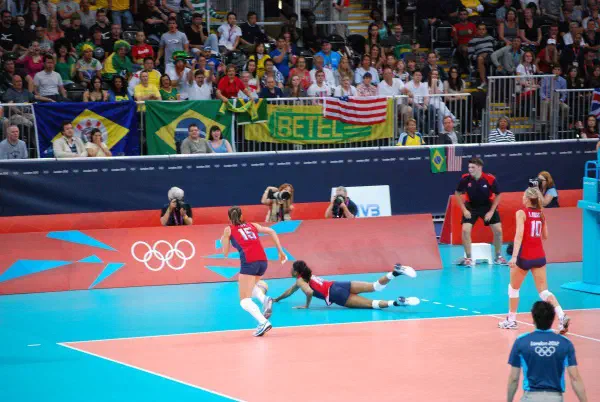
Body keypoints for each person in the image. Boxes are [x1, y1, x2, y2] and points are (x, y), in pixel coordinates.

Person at [499, 187, 570, 333]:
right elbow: (545, 236)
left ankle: (511, 320)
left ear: (527, 199)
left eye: (523, 196)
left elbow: (519, 235)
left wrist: (514, 257)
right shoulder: (541, 214)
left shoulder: (521, 213)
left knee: (513, 288)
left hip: (525, 256)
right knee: (544, 292)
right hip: (539, 256)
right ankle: (562, 316)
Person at [221, 206, 286, 336]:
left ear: (228, 218)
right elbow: (272, 231)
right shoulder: (252, 225)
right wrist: (280, 251)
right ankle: (264, 299)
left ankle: (263, 322)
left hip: (249, 262)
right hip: (263, 261)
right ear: (241, 216)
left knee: (244, 301)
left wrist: (224, 239)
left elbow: (225, 253)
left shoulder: (228, 230)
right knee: (248, 287)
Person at [507, 301, 588, 402]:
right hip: (555, 398)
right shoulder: (565, 343)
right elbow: (575, 378)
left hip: (530, 397)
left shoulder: (521, 341)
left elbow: (514, 378)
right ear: (553, 319)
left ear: (533, 319)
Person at [274, 260, 420, 309]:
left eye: (292, 269)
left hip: (336, 295)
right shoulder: (306, 276)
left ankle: (397, 303)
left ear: (296, 272)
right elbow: (290, 291)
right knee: (374, 286)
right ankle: (395, 272)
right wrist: (277, 299)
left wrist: (306, 305)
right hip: (339, 284)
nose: (290, 270)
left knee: (372, 304)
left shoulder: (300, 281)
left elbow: (309, 292)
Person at [455, 157, 506, 266]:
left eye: (473, 167)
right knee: (465, 230)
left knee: (498, 230)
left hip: (487, 206)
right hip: (471, 206)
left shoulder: (489, 179)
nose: (470, 169)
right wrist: (464, 210)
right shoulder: (465, 178)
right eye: (469, 167)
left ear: (479, 167)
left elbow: (498, 194)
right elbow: (457, 193)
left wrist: (491, 211)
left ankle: (498, 257)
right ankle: (468, 258)